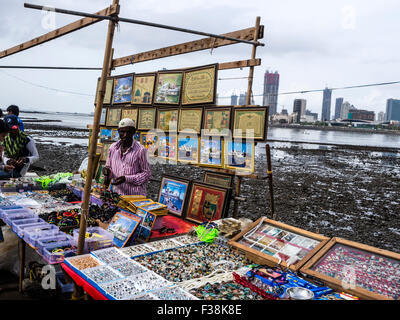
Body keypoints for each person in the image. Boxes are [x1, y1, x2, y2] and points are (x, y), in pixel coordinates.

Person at [103, 118, 152, 196]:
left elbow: (147, 174)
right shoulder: (113, 148)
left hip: (135, 196)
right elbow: (109, 167)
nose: (125, 135)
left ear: (133, 132)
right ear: (118, 131)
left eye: (128, 132)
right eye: (122, 132)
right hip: (116, 194)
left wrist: (126, 178)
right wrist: (107, 171)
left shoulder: (141, 150)